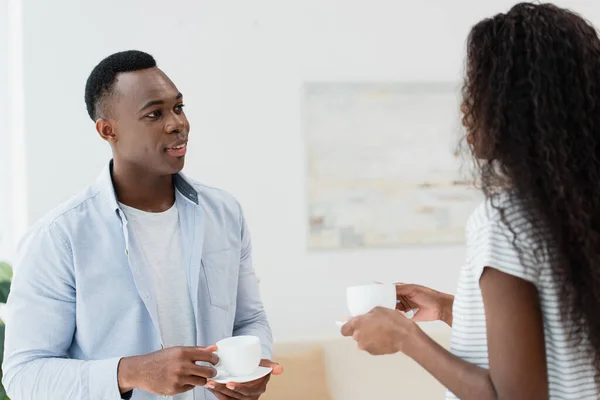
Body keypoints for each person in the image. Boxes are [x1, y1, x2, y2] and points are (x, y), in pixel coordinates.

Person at [341, 3, 600, 399]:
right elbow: (559, 334)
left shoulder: (505, 222)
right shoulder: (578, 211)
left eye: (479, 86)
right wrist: (449, 308)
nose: (466, 106)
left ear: (516, 105)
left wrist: (405, 336)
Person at [1, 50, 282, 400]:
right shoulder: (59, 237)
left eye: (178, 107)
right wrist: (131, 372)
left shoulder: (225, 213)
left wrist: (252, 368)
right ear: (108, 130)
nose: (177, 123)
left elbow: (249, 319)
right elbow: (24, 375)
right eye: (154, 113)